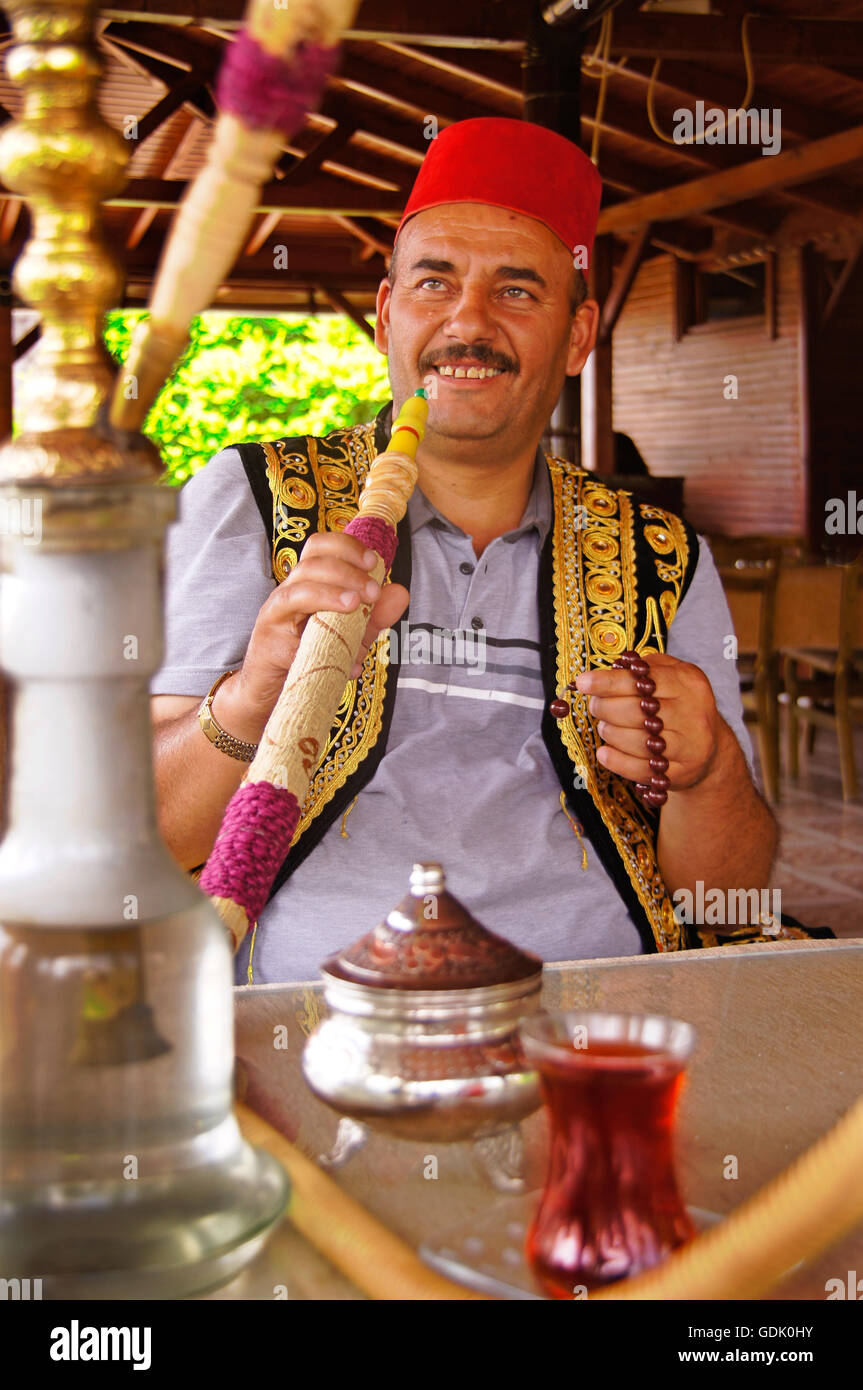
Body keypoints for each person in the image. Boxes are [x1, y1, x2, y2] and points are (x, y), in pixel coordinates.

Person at [151, 116, 803, 985]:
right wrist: (255, 693)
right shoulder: (252, 499)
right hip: (318, 1023)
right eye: (434, 283)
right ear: (387, 315)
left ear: (576, 337)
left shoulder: (660, 552)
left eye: (517, 290)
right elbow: (150, 835)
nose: (468, 323)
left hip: (596, 1023)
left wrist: (709, 770)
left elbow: (727, 897)